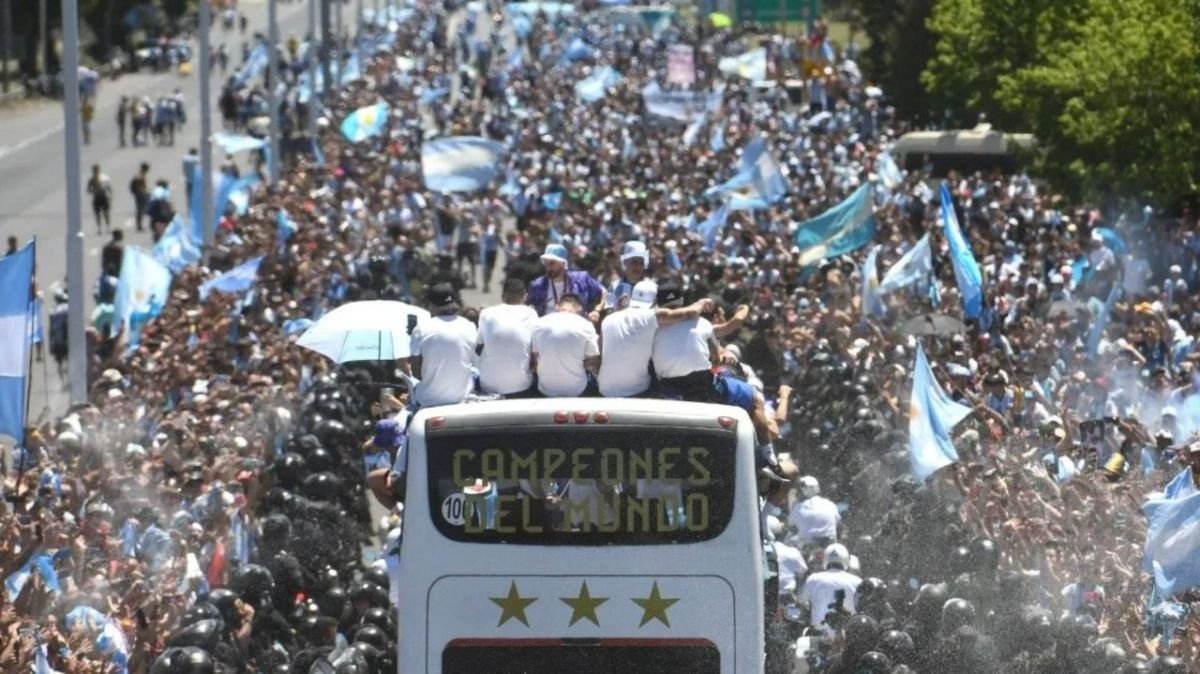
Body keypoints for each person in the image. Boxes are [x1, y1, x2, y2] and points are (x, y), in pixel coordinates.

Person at [597, 280, 713, 398]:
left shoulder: (608, 320)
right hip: (637, 391)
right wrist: (701, 302)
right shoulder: (650, 317)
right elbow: (690, 312)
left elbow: (599, 354)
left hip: (605, 390)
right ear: (655, 302)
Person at [404, 283, 477, 410]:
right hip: (460, 398)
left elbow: (416, 371)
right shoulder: (469, 326)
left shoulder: (422, 328)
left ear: (432, 305)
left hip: (427, 399)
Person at [651, 282, 721, 402]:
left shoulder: (652, 327)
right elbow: (716, 358)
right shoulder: (703, 323)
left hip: (668, 389)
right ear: (682, 300)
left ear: (658, 304)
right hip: (702, 386)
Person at [476, 278, 538, 397]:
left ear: (503, 296)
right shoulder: (531, 314)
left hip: (488, 385)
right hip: (521, 386)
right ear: (525, 296)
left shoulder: (486, 313)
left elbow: (478, 348)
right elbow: (535, 349)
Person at [530, 293, 600, 397]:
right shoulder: (586, 325)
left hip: (546, 389)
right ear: (579, 308)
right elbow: (593, 362)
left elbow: (535, 357)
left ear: (557, 306)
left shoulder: (539, 323)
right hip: (577, 390)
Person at [525, 244, 606, 320]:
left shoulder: (581, 279)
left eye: (552, 263)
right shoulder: (538, 285)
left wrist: (596, 310)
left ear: (563, 263)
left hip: (576, 328)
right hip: (548, 330)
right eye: (545, 263)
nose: (548, 267)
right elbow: (528, 307)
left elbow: (603, 292)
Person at [799, 543, 862, 635]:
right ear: (847, 560)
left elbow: (801, 601)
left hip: (819, 637)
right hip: (847, 637)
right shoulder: (858, 582)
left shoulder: (813, 579)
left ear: (825, 559)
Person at [786, 475, 841, 551]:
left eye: (801, 489)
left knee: (789, 541)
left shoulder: (798, 507)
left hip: (808, 547)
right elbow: (837, 522)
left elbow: (790, 524)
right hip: (830, 545)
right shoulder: (830, 504)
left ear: (805, 490)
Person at [605, 240, 650, 310]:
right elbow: (608, 312)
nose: (638, 267)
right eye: (634, 262)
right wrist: (618, 307)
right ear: (625, 262)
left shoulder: (651, 286)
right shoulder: (614, 287)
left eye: (641, 262)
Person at [87, 164, 113, 234]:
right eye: (94, 170)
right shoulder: (91, 180)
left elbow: (109, 187)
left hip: (104, 197)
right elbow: (88, 190)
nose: (95, 171)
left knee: (106, 213)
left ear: (99, 170)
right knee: (97, 214)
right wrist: (93, 190)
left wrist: (110, 197)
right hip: (96, 198)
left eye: (96, 170)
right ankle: (99, 228)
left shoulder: (104, 178)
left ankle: (108, 227)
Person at [130, 163, 150, 231]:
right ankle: (139, 226)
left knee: (140, 210)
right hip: (140, 195)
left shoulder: (140, 174)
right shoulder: (141, 175)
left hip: (139, 194)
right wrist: (143, 192)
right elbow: (141, 185)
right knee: (140, 210)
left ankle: (139, 225)